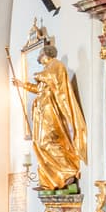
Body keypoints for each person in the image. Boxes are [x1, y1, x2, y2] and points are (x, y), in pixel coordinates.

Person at [18, 31, 87, 194]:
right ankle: (51, 179)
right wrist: (23, 85)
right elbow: (39, 88)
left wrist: (38, 75)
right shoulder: (48, 68)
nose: (39, 55)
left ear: (45, 54)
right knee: (40, 143)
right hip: (42, 110)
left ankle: (68, 173)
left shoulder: (56, 65)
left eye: (40, 52)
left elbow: (54, 80)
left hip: (51, 110)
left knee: (50, 141)